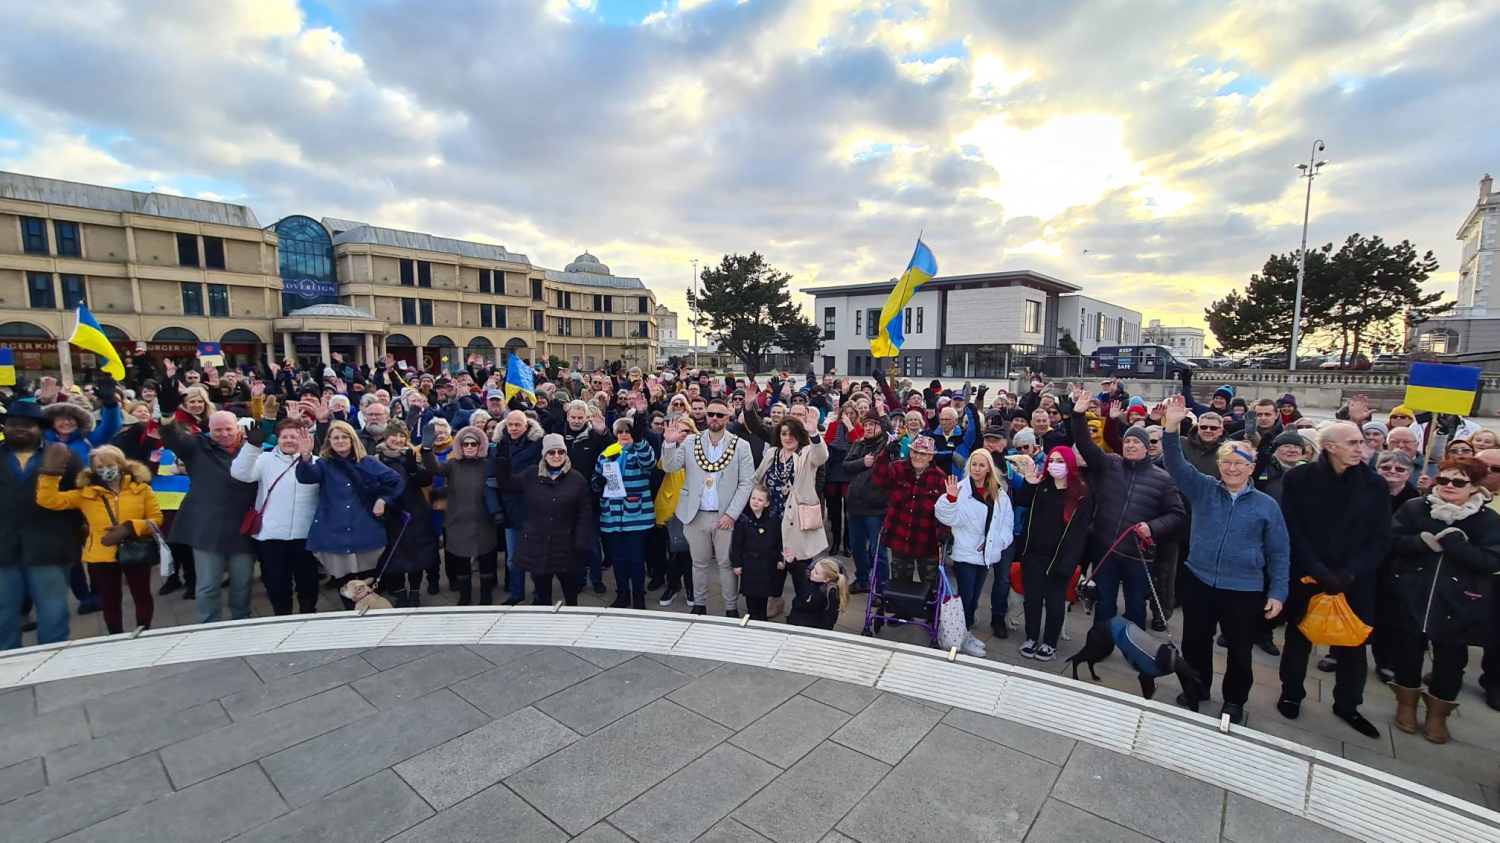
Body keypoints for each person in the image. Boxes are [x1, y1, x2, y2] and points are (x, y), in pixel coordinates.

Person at [1160, 396, 1289, 724]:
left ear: (1251, 466)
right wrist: (1171, 426)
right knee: (1195, 643)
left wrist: (1278, 592)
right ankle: (1197, 685)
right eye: (1227, 463)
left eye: (1240, 463)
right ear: (1219, 466)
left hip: (1244, 589)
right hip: (1200, 580)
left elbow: (1279, 551)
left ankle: (1234, 700)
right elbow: (1175, 463)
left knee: (1240, 652)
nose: (1232, 468)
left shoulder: (1265, 506)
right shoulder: (1204, 489)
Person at [1276, 422, 1393, 738]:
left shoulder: (1375, 486)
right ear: (1329, 446)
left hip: (1355, 579)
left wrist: (1350, 572)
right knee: (1298, 639)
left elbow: (1383, 537)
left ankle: (1348, 704)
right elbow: (1292, 528)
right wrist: (1317, 570)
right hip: (1309, 575)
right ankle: (1291, 693)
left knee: (1353, 646)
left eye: (1362, 442)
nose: (1360, 447)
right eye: (1352, 442)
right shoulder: (1299, 479)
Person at [1384, 457, 1500, 744]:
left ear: (1474, 487)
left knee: (1450, 662)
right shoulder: (1415, 508)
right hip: (1413, 594)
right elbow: (1390, 540)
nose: (1449, 486)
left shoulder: (1487, 520)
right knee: (1407, 654)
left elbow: (1491, 560)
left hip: (1459, 603)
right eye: (1444, 479)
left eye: (1458, 482)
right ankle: (1406, 704)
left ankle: (1438, 713)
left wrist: (1456, 545)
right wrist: (1419, 542)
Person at [1068, 389, 1185, 629]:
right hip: (1106, 549)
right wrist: (1078, 416)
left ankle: (1135, 648)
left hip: (1138, 557)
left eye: (1137, 442)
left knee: (1135, 606)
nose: (1131, 445)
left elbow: (1177, 515)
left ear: (1146, 448)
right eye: (1128, 441)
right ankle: (1100, 642)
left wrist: (1152, 527)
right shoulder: (1110, 464)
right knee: (1105, 602)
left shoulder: (1163, 479)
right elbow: (1085, 445)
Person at [35, 443, 162, 636]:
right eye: (99, 467)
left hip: (135, 548)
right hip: (100, 555)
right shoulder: (86, 493)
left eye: (110, 466)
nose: (105, 471)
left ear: (121, 464)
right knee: (109, 599)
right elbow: (48, 500)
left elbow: (156, 518)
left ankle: (144, 630)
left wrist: (130, 527)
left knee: (142, 594)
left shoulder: (141, 489)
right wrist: (50, 475)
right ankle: (115, 635)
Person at [159, 403, 258, 624]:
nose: (223, 434)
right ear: (209, 430)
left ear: (238, 429)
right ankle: (209, 625)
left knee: (242, 581)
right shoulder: (196, 446)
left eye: (228, 429)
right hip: (207, 528)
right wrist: (167, 415)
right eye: (217, 430)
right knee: (208, 583)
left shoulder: (251, 448)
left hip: (242, 526)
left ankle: (242, 620)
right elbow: (172, 438)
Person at [661, 396, 756, 616]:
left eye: (719, 415)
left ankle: (731, 607)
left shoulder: (741, 446)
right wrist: (669, 443)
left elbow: (747, 482)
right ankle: (700, 604)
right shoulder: (692, 441)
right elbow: (670, 466)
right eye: (710, 414)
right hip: (695, 514)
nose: (714, 418)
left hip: (725, 515)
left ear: (728, 417)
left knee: (726, 564)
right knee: (699, 562)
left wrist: (732, 514)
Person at [295, 420, 404, 608]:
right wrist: (305, 456)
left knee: (365, 581)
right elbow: (306, 477)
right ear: (329, 441)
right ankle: (348, 615)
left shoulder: (368, 462)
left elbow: (396, 481)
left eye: (344, 436)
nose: (340, 441)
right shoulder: (324, 464)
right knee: (343, 583)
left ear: (352, 439)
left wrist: (383, 500)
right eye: (335, 437)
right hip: (334, 533)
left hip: (364, 530)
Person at [231, 418, 321, 615]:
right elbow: (240, 473)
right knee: (277, 581)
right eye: (284, 437)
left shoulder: (315, 463)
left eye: (294, 436)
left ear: (303, 438)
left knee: (307, 580)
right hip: (271, 535)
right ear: (277, 439)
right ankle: (281, 616)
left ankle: (308, 612)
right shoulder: (264, 459)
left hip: (305, 534)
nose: (289, 441)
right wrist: (252, 447)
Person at [1014, 447, 1092, 660]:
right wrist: (1029, 485)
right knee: (1032, 599)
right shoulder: (1043, 485)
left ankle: (1050, 643)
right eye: (1051, 460)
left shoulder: (1081, 493)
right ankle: (1031, 637)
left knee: (1055, 602)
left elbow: (1080, 532)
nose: (1054, 465)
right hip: (1034, 554)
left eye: (1060, 461)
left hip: (1060, 557)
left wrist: (1069, 562)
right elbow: (1022, 502)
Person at [496, 433, 592, 606]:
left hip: (566, 546)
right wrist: (503, 461)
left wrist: (581, 541)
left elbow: (584, 513)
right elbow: (507, 484)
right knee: (543, 592)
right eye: (552, 452)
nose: (556, 456)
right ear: (544, 454)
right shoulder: (531, 475)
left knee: (571, 592)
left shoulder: (576, 479)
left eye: (560, 452)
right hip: (539, 545)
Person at [935, 449, 1014, 657]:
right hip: (965, 553)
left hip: (987, 555)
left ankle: (966, 632)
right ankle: (962, 634)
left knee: (976, 595)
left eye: (981, 465)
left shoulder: (999, 493)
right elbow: (947, 517)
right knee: (966, 596)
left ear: (989, 468)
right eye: (974, 465)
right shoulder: (960, 489)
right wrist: (950, 500)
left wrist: (997, 542)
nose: (977, 469)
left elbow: (1007, 523)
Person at [753, 417, 830, 610]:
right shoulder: (772, 453)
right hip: (771, 517)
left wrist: (814, 434)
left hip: (796, 519)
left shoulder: (806, 453)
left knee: (800, 563)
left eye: (792, 434)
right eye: (784, 433)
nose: (788, 438)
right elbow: (758, 478)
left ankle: (805, 602)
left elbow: (821, 457)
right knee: (773, 561)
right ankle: (776, 599)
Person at [422, 424, 499, 605]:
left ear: (480, 445)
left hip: (483, 520)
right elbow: (434, 469)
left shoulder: (487, 464)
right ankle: (465, 596)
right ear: (460, 446)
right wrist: (426, 450)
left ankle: (486, 595)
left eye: (474, 444)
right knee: (461, 564)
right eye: (466, 444)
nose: (470, 447)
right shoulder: (452, 465)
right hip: (458, 521)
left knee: (487, 562)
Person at [373, 421, 440, 608]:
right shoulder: (377, 458)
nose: (398, 439)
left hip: (415, 512)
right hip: (390, 514)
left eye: (402, 436)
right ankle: (400, 592)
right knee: (393, 557)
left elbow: (425, 480)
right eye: (394, 435)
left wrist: (413, 469)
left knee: (415, 556)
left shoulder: (413, 455)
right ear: (387, 436)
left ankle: (415, 591)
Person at [593, 418, 657, 610]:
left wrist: (639, 440)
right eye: (620, 432)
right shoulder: (607, 454)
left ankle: (639, 596)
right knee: (618, 559)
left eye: (627, 432)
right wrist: (599, 482)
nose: (624, 435)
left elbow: (650, 462)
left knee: (636, 559)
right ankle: (622, 594)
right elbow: (594, 480)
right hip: (611, 516)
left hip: (635, 515)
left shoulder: (640, 452)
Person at [873, 434, 947, 587]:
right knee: (899, 584)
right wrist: (885, 453)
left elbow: (943, 511)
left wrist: (944, 534)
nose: (918, 457)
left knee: (931, 586)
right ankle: (900, 611)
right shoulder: (897, 468)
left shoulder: (940, 477)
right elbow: (879, 477)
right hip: (900, 537)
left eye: (923, 453)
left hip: (927, 541)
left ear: (930, 456)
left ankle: (928, 611)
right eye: (915, 452)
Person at [842, 408, 890, 593]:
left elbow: (889, 433)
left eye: (873, 424)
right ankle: (862, 579)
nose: (869, 428)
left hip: (876, 508)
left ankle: (882, 587)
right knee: (857, 546)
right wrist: (863, 462)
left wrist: (882, 414)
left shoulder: (885, 445)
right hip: (854, 506)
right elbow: (846, 465)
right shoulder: (859, 444)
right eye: (867, 424)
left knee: (879, 552)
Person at [731, 486, 784, 621]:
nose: (755, 502)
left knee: (764, 593)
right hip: (749, 564)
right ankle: (753, 614)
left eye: (760, 500)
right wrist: (736, 564)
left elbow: (779, 541)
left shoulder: (773, 520)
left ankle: (762, 616)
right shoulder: (743, 520)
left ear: (766, 503)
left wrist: (780, 559)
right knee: (751, 593)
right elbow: (737, 544)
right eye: (753, 498)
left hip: (767, 563)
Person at [787, 557, 850, 629]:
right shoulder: (809, 577)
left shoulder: (831, 593)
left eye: (816, 572)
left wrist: (824, 631)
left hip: (814, 623)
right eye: (814, 568)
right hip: (797, 613)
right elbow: (798, 570)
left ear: (826, 579)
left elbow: (829, 616)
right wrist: (791, 562)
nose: (812, 572)